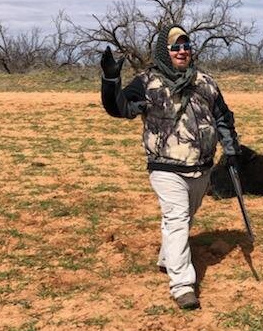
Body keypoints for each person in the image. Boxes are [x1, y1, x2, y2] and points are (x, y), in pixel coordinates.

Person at [100, 25, 241, 309]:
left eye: (186, 45)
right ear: (165, 51)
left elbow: (223, 117)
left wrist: (232, 150)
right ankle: (182, 286)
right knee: (177, 218)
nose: (182, 51)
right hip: (165, 168)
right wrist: (110, 78)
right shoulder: (148, 82)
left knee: (184, 218)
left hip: (202, 168)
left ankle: (167, 258)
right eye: (176, 46)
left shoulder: (205, 82)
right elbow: (120, 108)